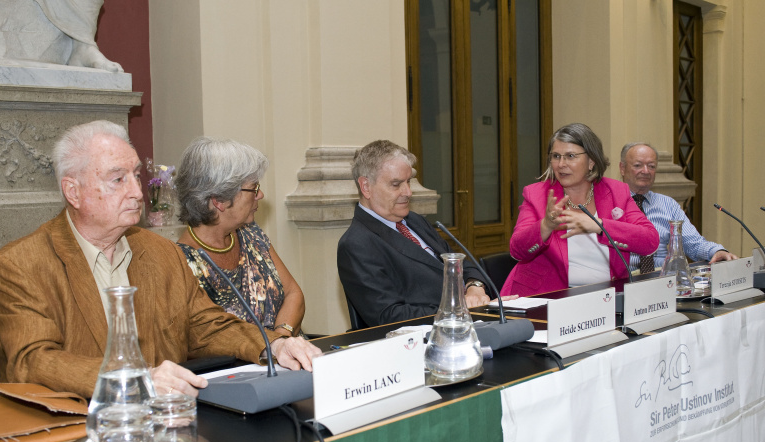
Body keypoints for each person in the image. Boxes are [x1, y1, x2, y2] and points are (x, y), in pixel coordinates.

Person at [0, 120, 319, 400]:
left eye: (136, 176)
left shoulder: (162, 253)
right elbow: (30, 361)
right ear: (73, 192)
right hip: (80, 431)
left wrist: (272, 346)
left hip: (170, 424)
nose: (137, 192)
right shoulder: (21, 264)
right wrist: (136, 380)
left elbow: (206, 326)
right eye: (118, 179)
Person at [337, 139, 491, 328]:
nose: (408, 192)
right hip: (419, 342)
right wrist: (459, 309)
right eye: (396, 184)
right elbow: (390, 317)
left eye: (408, 182)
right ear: (366, 187)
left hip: (465, 325)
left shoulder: (415, 221)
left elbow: (462, 264)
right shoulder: (357, 244)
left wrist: (474, 287)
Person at [501, 123, 659, 297]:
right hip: (546, 299)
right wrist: (545, 225)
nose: (561, 164)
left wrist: (599, 225)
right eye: (556, 156)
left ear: (591, 161)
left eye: (570, 156)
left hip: (606, 298)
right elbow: (517, 250)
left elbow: (650, 241)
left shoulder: (616, 192)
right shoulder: (536, 194)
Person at [174, 137, 305, 338]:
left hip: (286, 357)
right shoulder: (181, 263)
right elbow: (208, 339)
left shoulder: (251, 233)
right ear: (219, 200)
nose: (260, 194)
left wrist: (281, 340)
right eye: (253, 188)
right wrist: (273, 347)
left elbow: (293, 294)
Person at [619, 142, 737, 271]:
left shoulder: (668, 204)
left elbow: (693, 243)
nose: (646, 171)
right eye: (638, 165)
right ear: (622, 168)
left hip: (661, 278)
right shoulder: (609, 202)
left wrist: (716, 251)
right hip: (622, 279)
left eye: (651, 166)